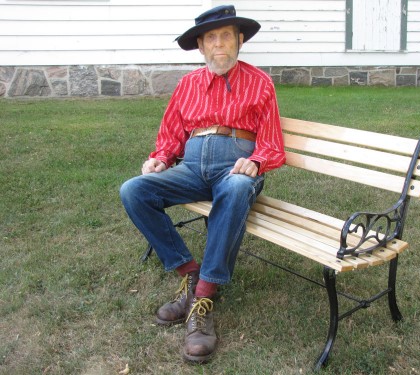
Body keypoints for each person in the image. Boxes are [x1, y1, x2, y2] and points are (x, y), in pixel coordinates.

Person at [119, 5, 285, 364]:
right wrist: (161, 158)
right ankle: (189, 273)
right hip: (192, 168)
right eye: (212, 37)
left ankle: (204, 298)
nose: (220, 44)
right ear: (201, 46)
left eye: (227, 35)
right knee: (134, 190)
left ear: (240, 41)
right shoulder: (187, 85)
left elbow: (272, 144)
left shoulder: (260, 83)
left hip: (235, 167)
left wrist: (255, 162)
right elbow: (171, 135)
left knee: (237, 189)